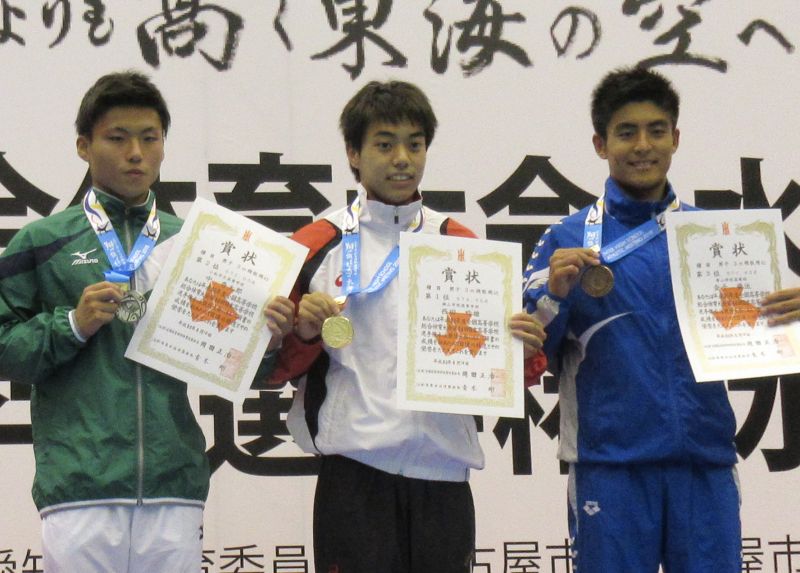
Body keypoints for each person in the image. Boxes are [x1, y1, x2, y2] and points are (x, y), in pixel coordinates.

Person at [0, 71, 295, 573]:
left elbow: (243, 368)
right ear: (83, 145)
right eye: (117, 138)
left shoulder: (199, 244)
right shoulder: (43, 242)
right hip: (80, 485)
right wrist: (71, 324)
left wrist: (266, 339)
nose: (135, 153)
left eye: (149, 138)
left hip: (173, 484)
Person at [522, 66, 800, 572]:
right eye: (626, 132)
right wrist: (553, 294)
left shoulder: (715, 240)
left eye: (656, 131)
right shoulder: (566, 240)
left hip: (705, 460)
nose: (643, 146)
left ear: (676, 138)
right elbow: (528, 351)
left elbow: (759, 334)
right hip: (611, 465)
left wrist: (791, 316)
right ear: (600, 144)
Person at [269, 80, 547, 573]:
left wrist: (522, 351)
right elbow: (268, 366)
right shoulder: (315, 245)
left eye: (414, 145)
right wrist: (303, 334)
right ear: (353, 154)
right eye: (384, 144)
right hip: (354, 475)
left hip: (444, 475)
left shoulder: (463, 246)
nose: (402, 159)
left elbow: (506, 373)